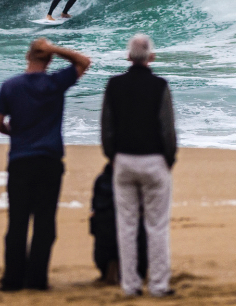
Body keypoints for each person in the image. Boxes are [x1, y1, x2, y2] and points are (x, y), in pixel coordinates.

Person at [0, 38, 91, 291]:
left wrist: (14, 133)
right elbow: (84, 62)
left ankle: (12, 280)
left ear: (28, 57)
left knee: (17, 222)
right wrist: (56, 49)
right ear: (48, 60)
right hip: (48, 161)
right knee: (44, 222)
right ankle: (37, 280)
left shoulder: (10, 86)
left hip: (20, 161)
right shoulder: (55, 83)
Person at [101, 34, 177, 297]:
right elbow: (167, 129)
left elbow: (107, 128)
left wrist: (113, 156)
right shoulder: (160, 86)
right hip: (154, 159)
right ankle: (158, 285)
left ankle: (130, 285)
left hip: (123, 159)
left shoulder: (114, 85)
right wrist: (169, 159)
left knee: (127, 225)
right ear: (151, 57)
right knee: (157, 225)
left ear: (128, 57)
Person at [89, 162, 148, 285]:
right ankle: (127, 268)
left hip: (105, 231)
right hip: (132, 235)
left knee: (105, 224)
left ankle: (111, 266)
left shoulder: (102, 179)